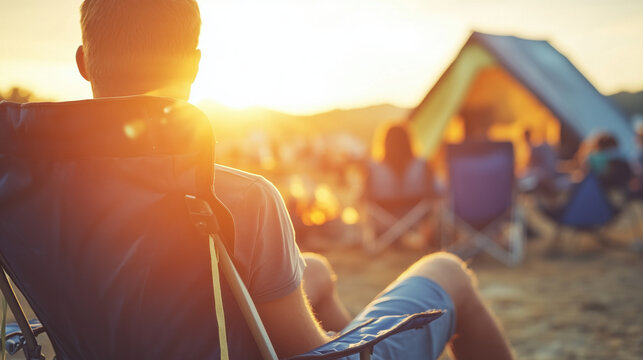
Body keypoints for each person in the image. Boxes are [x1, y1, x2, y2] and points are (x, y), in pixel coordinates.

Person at [72, 0, 513, 358]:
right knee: (448, 271)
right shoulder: (239, 198)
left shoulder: (38, 201)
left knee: (315, 270)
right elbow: (310, 352)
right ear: (192, 66)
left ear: (83, 63)